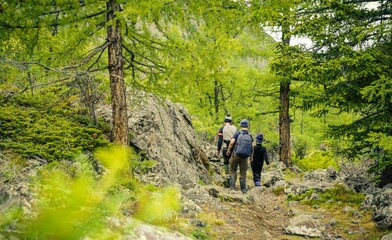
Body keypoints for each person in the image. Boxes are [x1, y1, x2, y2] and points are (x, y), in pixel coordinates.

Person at [226, 119, 253, 193]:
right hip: (245, 157)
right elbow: (251, 147)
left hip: (236, 155)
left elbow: (232, 143)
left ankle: (232, 188)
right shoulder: (249, 135)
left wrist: (228, 151)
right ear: (247, 126)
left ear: (241, 125)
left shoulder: (237, 133)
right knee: (243, 172)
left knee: (232, 170)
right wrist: (251, 157)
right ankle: (243, 189)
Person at [217, 114, 237, 187]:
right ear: (231, 122)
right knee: (234, 166)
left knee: (226, 163)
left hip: (225, 148)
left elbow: (220, 141)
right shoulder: (235, 128)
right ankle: (233, 182)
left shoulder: (222, 129)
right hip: (234, 148)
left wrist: (218, 150)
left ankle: (227, 178)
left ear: (225, 121)